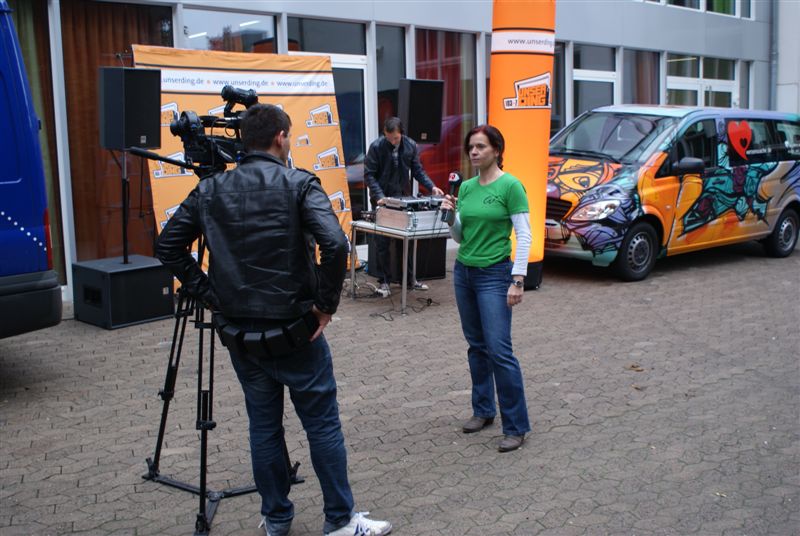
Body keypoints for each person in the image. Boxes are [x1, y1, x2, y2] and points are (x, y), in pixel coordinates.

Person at [155, 104, 392, 536]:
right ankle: (340, 521)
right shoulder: (299, 183)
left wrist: (210, 295)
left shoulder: (211, 190)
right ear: (281, 137)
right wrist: (325, 306)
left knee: (263, 428)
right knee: (321, 426)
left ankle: (277, 519)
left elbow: (168, 245)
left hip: (241, 334)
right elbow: (336, 245)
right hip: (297, 332)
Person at [439, 124, 532, 453]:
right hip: (464, 273)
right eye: (471, 148)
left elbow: (524, 234)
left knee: (499, 351)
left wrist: (517, 279)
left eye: (480, 146)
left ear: (497, 150)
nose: (474, 152)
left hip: (495, 274)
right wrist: (451, 217)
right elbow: (460, 236)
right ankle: (483, 410)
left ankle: (516, 426)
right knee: (476, 346)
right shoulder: (465, 188)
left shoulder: (511, 186)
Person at [364, 117, 444, 297]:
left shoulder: (410, 145)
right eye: (389, 138)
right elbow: (369, 175)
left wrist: (431, 187)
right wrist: (380, 196)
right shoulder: (376, 147)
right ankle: (384, 281)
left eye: (396, 138)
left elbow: (418, 170)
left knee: (406, 240)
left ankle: (408, 279)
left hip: (402, 196)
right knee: (382, 242)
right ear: (384, 134)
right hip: (382, 198)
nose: (393, 141)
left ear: (401, 133)